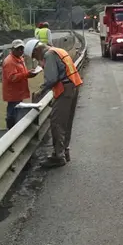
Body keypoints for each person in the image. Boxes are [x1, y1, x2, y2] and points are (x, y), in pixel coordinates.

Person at [25, 39, 83, 168]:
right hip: (73, 86)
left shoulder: (49, 55)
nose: (36, 59)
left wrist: (41, 90)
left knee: (56, 123)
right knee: (66, 123)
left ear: (36, 50)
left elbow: (52, 78)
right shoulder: (58, 50)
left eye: (34, 56)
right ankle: (64, 151)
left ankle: (58, 156)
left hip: (65, 89)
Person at [2, 40, 39, 129]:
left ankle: (13, 129)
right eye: (18, 49)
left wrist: (29, 74)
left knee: (16, 112)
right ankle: (10, 130)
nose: (20, 51)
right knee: (12, 114)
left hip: (18, 92)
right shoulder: (10, 61)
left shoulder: (19, 58)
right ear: (12, 49)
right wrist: (27, 74)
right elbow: (12, 77)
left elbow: (22, 73)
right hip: (13, 93)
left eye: (22, 49)